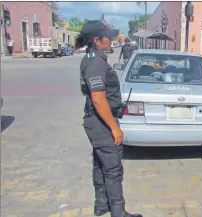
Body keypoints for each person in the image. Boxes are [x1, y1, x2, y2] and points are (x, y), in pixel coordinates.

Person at [76, 20, 143, 217]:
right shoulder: (95, 62)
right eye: (108, 37)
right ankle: (118, 211)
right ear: (97, 40)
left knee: (100, 164)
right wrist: (114, 127)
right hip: (102, 123)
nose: (112, 40)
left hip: (96, 121)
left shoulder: (92, 58)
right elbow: (98, 99)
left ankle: (101, 204)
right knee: (113, 169)